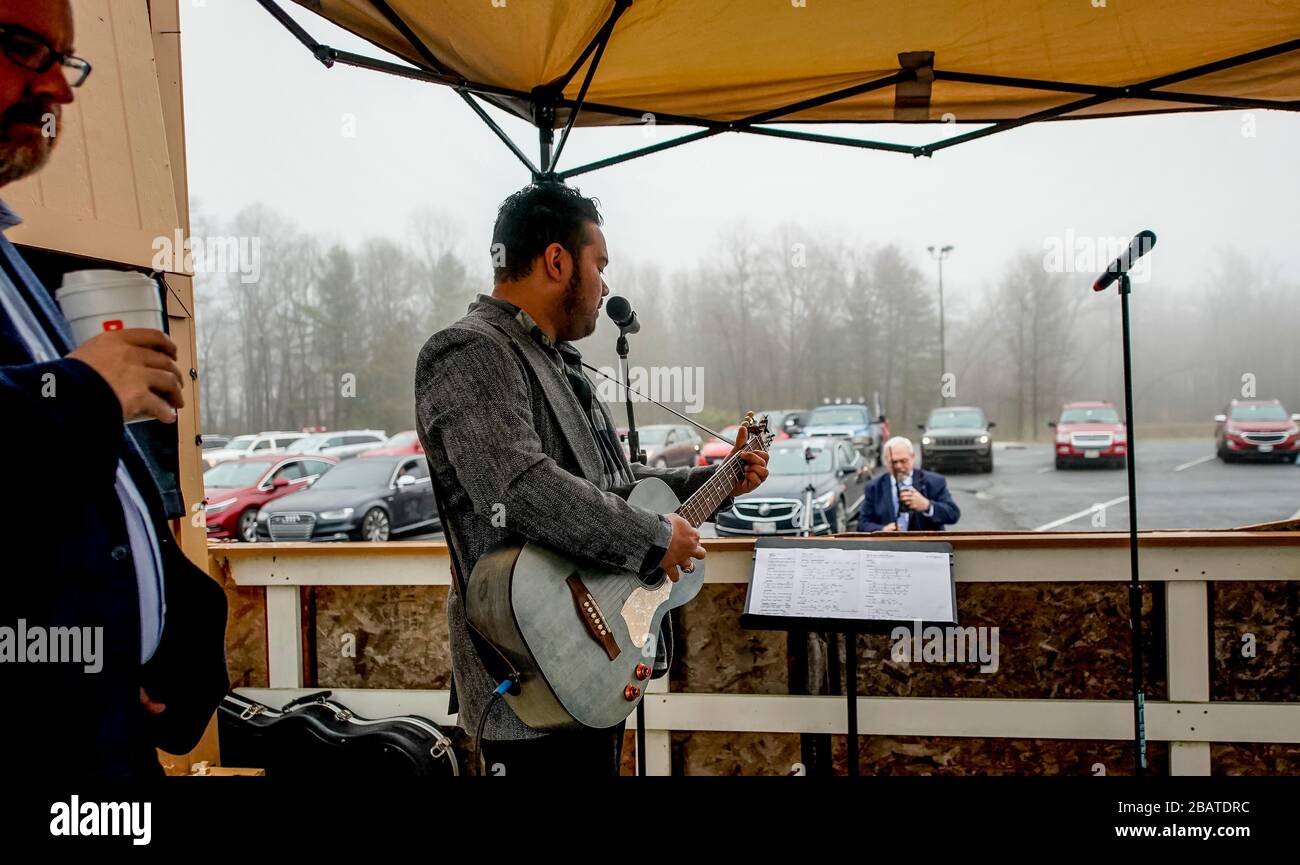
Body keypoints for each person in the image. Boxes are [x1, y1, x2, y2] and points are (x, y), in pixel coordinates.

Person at [415, 182, 769, 776]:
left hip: (591, 670)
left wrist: (719, 478)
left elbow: (612, 486)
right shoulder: (472, 351)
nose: (606, 287)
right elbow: (518, 488)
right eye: (599, 265)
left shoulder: (556, 358)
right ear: (557, 261)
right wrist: (655, 538)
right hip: (530, 683)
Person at [0, 0, 227, 777]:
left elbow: (60, 507)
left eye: (66, 63)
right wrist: (86, 391)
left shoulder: (13, 264)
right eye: (28, 48)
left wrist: (180, 625)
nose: (59, 92)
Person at [856, 436, 960, 532]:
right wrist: (883, 530)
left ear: (913, 457)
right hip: (890, 548)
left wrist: (927, 506)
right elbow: (862, 524)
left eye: (903, 461)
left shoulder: (934, 482)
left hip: (925, 546)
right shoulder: (874, 487)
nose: (898, 466)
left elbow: (953, 514)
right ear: (885, 462)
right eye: (893, 462)